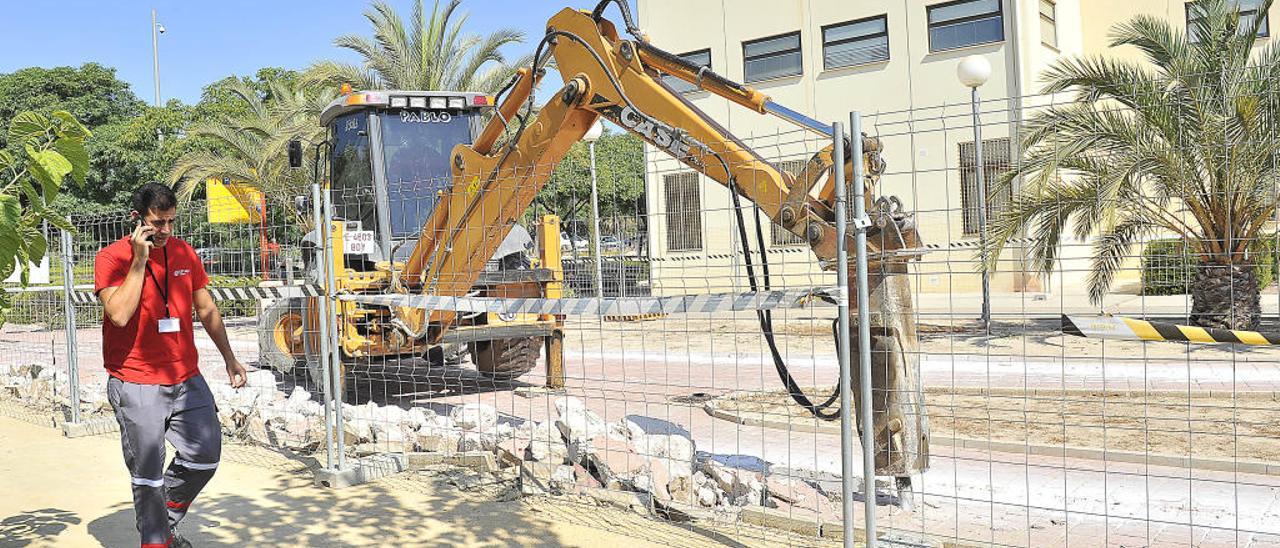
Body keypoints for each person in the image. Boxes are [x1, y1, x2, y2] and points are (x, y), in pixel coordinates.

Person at [95, 182, 248, 548]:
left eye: (170, 223)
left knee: (205, 455)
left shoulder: (184, 253)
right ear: (137, 220)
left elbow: (207, 308)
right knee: (148, 474)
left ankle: (160, 521)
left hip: (185, 376)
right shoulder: (111, 258)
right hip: (136, 379)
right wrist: (140, 260)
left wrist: (229, 358)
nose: (165, 231)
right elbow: (118, 314)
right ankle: (157, 540)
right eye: (156, 223)